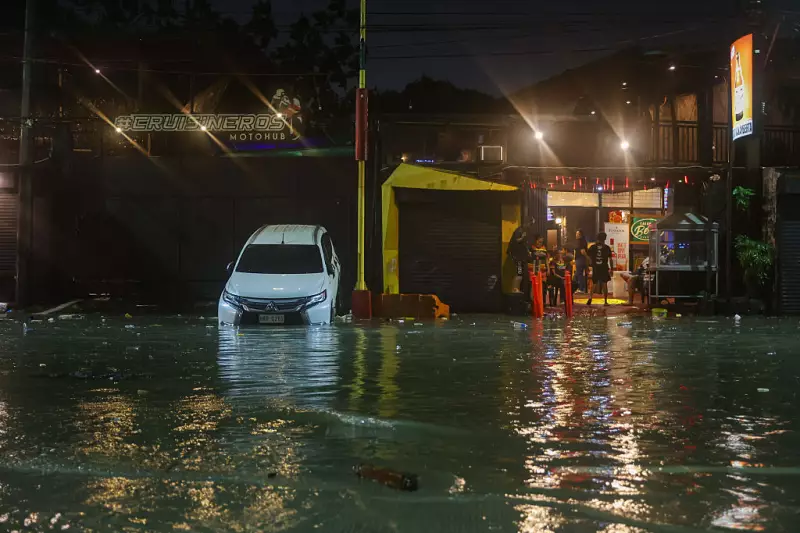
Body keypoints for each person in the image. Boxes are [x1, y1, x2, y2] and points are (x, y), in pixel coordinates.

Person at [587, 232, 613, 306]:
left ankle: (590, 298)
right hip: (604, 267)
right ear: (605, 239)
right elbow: (610, 259)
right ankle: (605, 301)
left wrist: (590, 264)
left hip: (596, 267)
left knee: (594, 283)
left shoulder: (593, 247)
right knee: (604, 283)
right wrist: (612, 268)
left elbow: (588, 256)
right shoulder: (607, 247)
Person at [507, 225, 530, 293]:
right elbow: (516, 241)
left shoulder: (523, 231)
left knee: (522, 275)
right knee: (519, 274)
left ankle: (518, 290)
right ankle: (515, 289)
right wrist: (522, 237)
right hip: (518, 258)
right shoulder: (519, 230)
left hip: (522, 258)